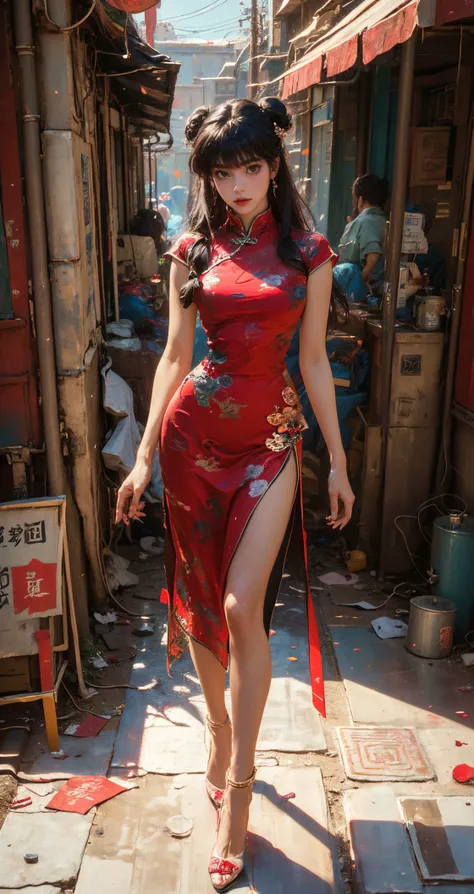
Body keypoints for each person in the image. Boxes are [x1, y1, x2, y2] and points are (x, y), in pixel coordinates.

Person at [115, 97, 354, 891]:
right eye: (223, 172)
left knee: (246, 606)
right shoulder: (191, 249)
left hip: (271, 443)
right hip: (191, 442)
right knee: (206, 606)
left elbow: (314, 361)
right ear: (208, 176)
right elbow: (174, 358)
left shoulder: (310, 253)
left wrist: (341, 465)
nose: (239, 184)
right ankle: (217, 734)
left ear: (276, 163)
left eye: (251, 167)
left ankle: (240, 791)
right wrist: (144, 457)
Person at [334, 173, 389, 302]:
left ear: (360, 200)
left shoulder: (364, 222)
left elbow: (373, 255)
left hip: (360, 294)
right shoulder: (383, 221)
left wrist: (360, 280)